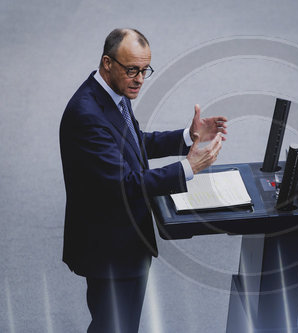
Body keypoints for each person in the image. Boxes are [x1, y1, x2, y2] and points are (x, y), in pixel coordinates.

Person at [59, 28, 227, 332]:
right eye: (132, 69)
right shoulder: (87, 115)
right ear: (108, 63)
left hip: (124, 243)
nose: (139, 79)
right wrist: (187, 168)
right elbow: (125, 183)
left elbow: (133, 145)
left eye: (144, 70)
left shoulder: (112, 94)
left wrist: (187, 136)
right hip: (110, 250)